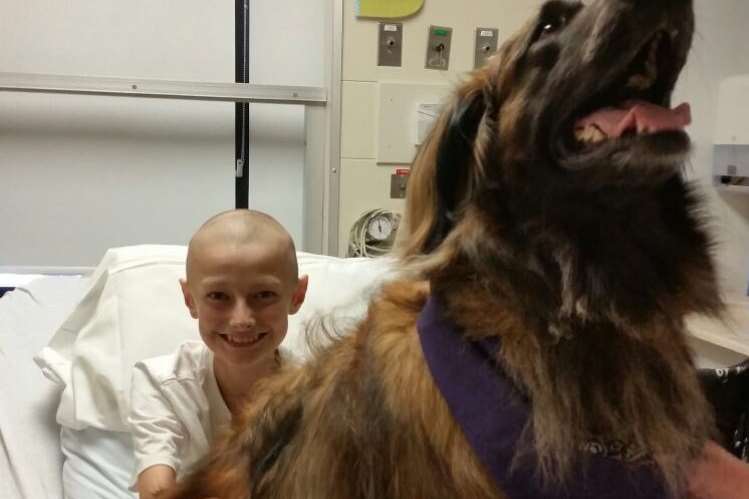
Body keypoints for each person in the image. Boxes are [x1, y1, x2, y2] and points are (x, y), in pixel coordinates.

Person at [127, 209, 308, 499]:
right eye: (218, 296)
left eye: (263, 295)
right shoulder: (161, 384)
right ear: (190, 299)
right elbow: (156, 488)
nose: (241, 320)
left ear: (297, 296)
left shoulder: (316, 394)